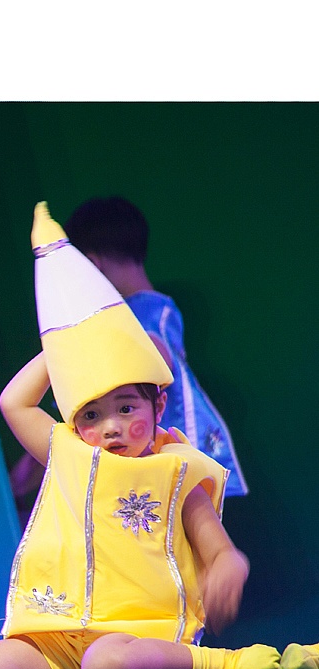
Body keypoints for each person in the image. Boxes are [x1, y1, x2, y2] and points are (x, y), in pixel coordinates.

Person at [0, 205, 279, 669]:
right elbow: (14, 402)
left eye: (126, 408)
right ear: (74, 421)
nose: (111, 427)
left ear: (158, 405)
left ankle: (226, 663)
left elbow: (224, 554)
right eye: (91, 415)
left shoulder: (177, 470)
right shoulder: (69, 454)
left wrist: (228, 569)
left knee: (107, 664)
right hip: (58, 643)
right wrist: (68, 341)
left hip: (132, 639)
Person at [64, 196, 248, 497]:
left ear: (92, 263)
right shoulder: (158, 308)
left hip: (181, 452)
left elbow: (159, 354)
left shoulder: (135, 316)